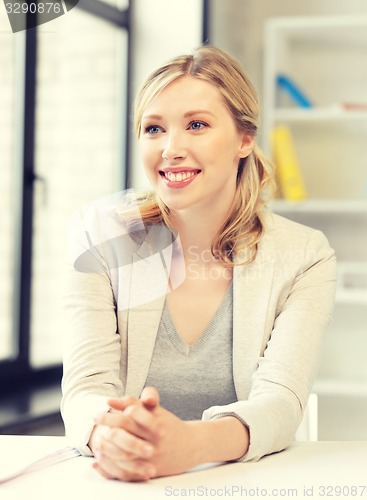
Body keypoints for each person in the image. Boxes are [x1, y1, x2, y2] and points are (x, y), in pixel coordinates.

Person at [61, 45, 336, 482]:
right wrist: (108, 436)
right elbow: (85, 390)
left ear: (244, 138)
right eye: (154, 129)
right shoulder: (99, 237)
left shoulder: (305, 255)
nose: (171, 149)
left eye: (196, 125)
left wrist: (188, 446)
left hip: (242, 484)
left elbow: (281, 402)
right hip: (124, 483)